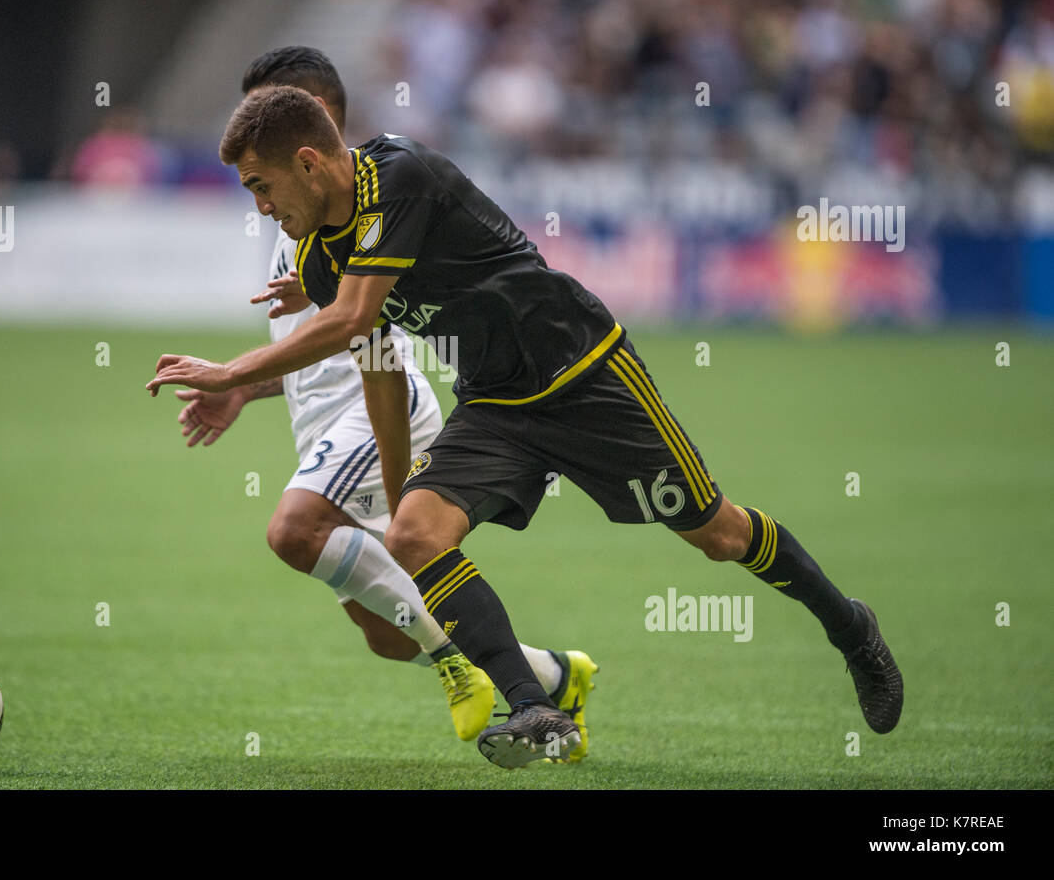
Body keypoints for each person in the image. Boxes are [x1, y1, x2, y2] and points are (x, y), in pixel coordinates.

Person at [147, 84, 902, 768]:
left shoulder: (399, 175)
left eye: (260, 186)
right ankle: (534, 701)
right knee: (414, 533)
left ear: (308, 163)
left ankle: (849, 627)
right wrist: (401, 473)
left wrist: (230, 374)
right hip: (497, 403)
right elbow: (377, 358)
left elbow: (355, 315)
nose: (260, 208)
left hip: (582, 371)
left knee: (718, 534)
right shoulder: (319, 258)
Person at [172, 48, 597, 755]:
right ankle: (555, 676)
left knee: (292, 530)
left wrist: (231, 371)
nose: (252, 124)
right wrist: (249, 387)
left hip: (373, 412)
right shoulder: (290, 214)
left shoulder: (365, 209)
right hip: (322, 426)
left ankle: (468, 670)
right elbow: (311, 349)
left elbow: (369, 345)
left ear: (317, 118)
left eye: (269, 107)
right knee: (388, 636)